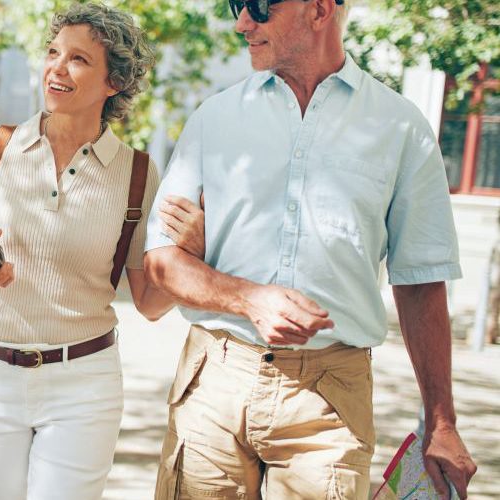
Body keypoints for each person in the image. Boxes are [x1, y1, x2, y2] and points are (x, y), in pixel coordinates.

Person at [144, 0, 478, 498]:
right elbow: (161, 263)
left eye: (258, 7)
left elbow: (421, 282)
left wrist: (442, 422)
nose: (242, 23)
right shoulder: (214, 118)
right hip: (214, 381)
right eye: (238, 6)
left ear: (320, 10)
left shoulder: (402, 129)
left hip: (329, 402)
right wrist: (249, 298)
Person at [0, 3, 204, 499]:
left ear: (114, 83)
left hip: (83, 384)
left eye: (79, 59)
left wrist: (192, 252)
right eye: (53, 52)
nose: (57, 68)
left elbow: (148, 302)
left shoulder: (138, 175)